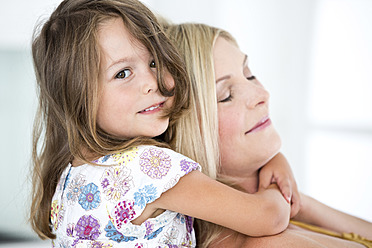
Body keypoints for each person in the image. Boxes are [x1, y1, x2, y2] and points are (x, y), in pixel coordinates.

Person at [29, 0, 301, 247]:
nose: (152, 82)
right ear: (77, 96)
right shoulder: (149, 169)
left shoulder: (72, 176)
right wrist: (276, 184)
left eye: (155, 62)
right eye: (123, 73)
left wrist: (272, 160)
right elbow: (268, 218)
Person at [164, 22, 372, 248]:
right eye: (226, 95)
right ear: (187, 131)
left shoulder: (288, 209)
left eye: (249, 75)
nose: (262, 94)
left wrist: (289, 197)